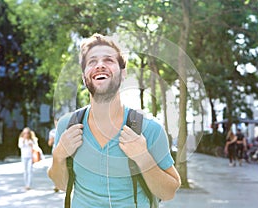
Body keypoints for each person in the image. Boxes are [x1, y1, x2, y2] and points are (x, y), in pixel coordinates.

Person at [48, 33, 181, 207]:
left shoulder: (149, 128)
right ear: (83, 76)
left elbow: (169, 192)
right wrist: (58, 156)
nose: (100, 65)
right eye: (92, 61)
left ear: (123, 73)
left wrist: (143, 158)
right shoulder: (68, 126)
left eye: (109, 60)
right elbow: (62, 184)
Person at [48, 119, 59, 192]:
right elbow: (49, 143)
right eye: (55, 122)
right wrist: (52, 140)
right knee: (56, 168)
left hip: (65, 151)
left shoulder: (65, 130)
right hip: (55, 151)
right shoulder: (52, 132)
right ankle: (56, 185)